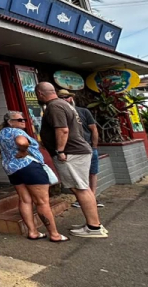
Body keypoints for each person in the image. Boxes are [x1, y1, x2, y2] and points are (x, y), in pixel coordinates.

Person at [36, 82, 107, 238]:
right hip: (78, 151)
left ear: (40, 94)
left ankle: (94, 228)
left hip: (70, 153)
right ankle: (93, 223)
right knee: (83, 187)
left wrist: (60, 150)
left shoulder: (54, 106)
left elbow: (63, 129)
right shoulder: (65, 105)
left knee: (80, 188)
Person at [0, 111, 67, 242]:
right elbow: (22, 142)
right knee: (42, 202)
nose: (23, 121)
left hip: (12, 169)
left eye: (23, 119)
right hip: (30, 167)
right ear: (10, 122)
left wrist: (7, 152)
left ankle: (32, 231)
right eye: (19, 120)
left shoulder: (2, 133)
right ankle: (54, 234)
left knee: (25, 200)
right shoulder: (17, 132)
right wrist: (23, 151)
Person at [57, 89, 104, 208]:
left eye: (66, 97)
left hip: (88, 147)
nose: (64, 100)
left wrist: (94, 146)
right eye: (61, 98)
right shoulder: (58, 114)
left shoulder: (83, 111)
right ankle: (84, 199)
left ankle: (92, 197)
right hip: (73, 149)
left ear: (71, 98)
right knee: (79, 175)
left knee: (92, 172)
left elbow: (93, 129)